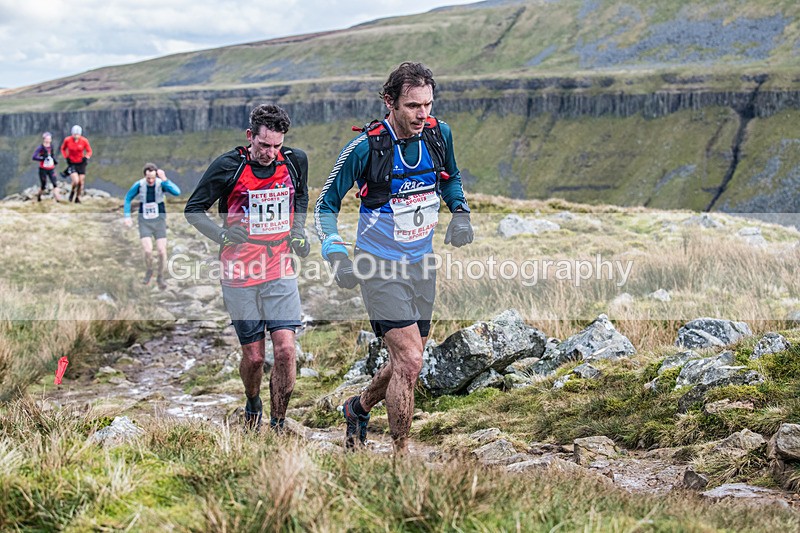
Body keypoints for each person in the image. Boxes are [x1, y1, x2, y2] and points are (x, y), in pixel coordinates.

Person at [314, 62, 474, 453]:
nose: (422, 115)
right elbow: (324, 206)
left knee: (409, 359)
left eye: (428, 105)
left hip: (422, 264)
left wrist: (461, 212)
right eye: (412, 106)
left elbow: (451, 178)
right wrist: (335, 252)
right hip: (378, 264)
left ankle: (358, 407)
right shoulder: (366, 147)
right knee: (411, 360)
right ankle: (401, 459)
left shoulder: (439, 135)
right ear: (390, 102)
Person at [185, 104, 310, 433]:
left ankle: (279, 422)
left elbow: (301, 196)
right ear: (249, 136)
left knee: (285, 349)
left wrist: (297, 233)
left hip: (279, 267)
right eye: (264, 145)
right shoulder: (229, 166)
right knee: (255, 358)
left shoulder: (295, 161)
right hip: (239, 274)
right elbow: (194, 210)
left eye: (276, 146)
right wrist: (223, 234)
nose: (270, 153)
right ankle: (253, 398)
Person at [124, 163, 181, 290]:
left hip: (159, 221)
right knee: (148, 250)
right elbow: (128, 198)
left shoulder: (161, 183)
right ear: (145, 176)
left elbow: (177, 192)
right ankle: (149, 271)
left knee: (161, 251)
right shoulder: (139, 185)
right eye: (148, 178)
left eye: (153, 178)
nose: (150, 180)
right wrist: (127, 216)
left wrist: (165, 179)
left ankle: (160, 276)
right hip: (144, 221)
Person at [60, 124, 92, 203]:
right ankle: (72, 192)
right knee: (76, 181)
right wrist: (66, 157)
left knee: (81, 182)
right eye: (74, 134)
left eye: (77, 134)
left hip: (81, 163)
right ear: (72, 134)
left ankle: (78, 197)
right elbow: (63, 149)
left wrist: (87, 156)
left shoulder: (84, 141)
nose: (76, 136)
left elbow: (89, 151)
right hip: (72, 163)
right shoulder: (67, 140)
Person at [31, 132, 61, 202]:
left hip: (51, 169)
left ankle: (58, 199)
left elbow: (52, 155)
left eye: (49, 139)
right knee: (43, 185)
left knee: (55, 184)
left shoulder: (51, 147)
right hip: (43, 169)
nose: (48, 140)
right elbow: (34, 157)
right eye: (47, 139)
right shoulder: (40, 148)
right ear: (44, 139)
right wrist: (42, 158)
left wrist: (54, 161)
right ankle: (39, 196)